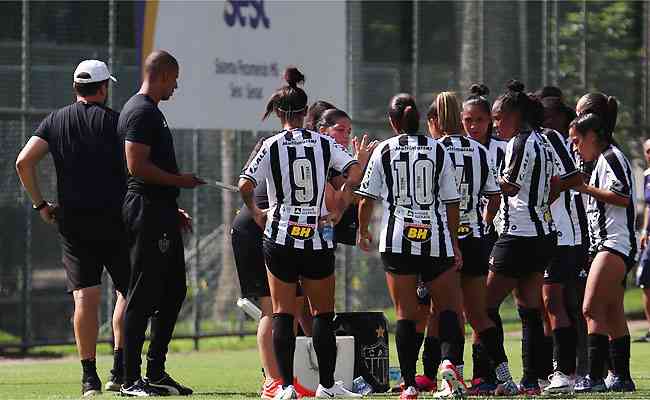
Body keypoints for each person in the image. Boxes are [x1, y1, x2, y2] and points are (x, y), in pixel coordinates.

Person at [239, 67, 363, 400]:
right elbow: (354, 170)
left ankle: (287, 388)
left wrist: (257, 212)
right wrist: (338, 209)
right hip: (317, 235)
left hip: (279, 236)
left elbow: (244, 183)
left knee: (282, 311)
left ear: (279, 113)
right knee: (323, 312)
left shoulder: (270, 145)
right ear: (306, 113)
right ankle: (326, 385)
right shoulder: (324, 144)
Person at [15, 59, 129, 397]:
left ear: (76, 87)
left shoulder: (55, 120)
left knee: (85, 298)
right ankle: (120, 369)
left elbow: (23, 162)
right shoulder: (116, 122)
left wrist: (40, 205)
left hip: (74, 223)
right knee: (127, 293)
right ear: (104, 87)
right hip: (115, 220)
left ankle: (89, 378)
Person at [356, 93, 465, 400]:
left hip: (397, 238)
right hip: (435, 238)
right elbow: (452, 203)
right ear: (419, 120)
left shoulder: (385, 150)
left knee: (406, 312)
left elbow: (366, 199)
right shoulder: (438, 149)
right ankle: (447, 364)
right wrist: (454, 241)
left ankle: (409, 385)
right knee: (446, 309)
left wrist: (363, 231)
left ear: (392, 122)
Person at [119, 50, 204, 397]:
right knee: (142, 295)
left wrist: (172, 208)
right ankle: (129, 379)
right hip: (145, 211)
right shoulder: (140, 111)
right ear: (164, 75)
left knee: (173, 290)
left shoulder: (153, 112)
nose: (177, 86)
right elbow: (136, 166)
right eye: (175, 79)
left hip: (161, 210)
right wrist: (179, 181)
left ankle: (156, 371)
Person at [487, 80, 580, 395]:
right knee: (529, 308)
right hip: (544, 235)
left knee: (481, 307)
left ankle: (504, 378)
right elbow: (558, 178)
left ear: (515, 115)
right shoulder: (545, 140)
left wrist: (478, 184)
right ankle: (531, 381)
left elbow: (509, 187)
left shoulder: (519, 143)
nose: (496, 124)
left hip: (518, 235)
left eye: (499, 118)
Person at [427, 92, 515, 398]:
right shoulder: (480, 151)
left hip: (445, 241)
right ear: (460, 120)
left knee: (447, 311)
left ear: (436, 120)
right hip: (475, 238)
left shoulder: (435, 150)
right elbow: (495, 194)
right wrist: (484, 220)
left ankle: (453, 379)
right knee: (479, 315)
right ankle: (506, 378)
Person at [571, 94, 637, 393]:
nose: (575, 146)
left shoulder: (611, 157)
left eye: (577, 140)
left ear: (593, 135)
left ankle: (594, 376)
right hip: (607, 244)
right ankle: (622, 377)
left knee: (590, 308)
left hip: (615, 243)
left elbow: (622, 198)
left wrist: (583, 187)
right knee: (612, 313)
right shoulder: (599, 160)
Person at [460, 84, 507, 394]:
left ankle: (486, 373)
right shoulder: (456, 149)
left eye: (478, 120)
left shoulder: (502, 150)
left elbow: (501, 195)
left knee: (484, 307)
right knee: (468, 308)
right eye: (467, 120)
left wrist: (488, 222)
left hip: (495, 235)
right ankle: (470, 373)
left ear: (490, 120)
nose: (473, 126)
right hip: (464, 235)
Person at [538, 95, 585, 393]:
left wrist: (549, 193)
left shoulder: (552, 138)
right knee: (544, 304)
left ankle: (567, 371)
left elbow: (572, 178)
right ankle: (547, 372)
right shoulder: (534, 140)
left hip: (563, 234)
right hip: (541, 233)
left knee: (558, 302)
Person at [635, 138, 650, 343]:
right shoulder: (647, 176)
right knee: (645, 282)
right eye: (647, 151)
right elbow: (648, 206)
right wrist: (645, 230)